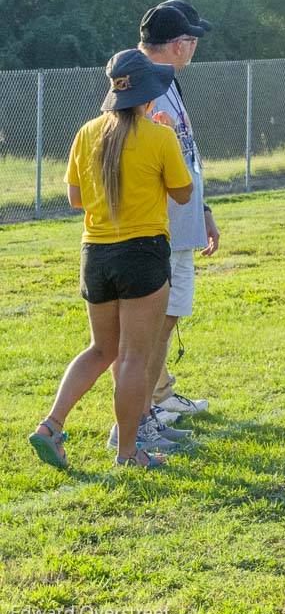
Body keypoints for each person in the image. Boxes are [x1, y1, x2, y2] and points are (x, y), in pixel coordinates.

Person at [28, 50, 193, 470]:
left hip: (95, 254)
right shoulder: (159, 136)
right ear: (147, 93)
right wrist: (168, 134)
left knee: (100, 350)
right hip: (143, 254)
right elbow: (183, 192)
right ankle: (127, 453)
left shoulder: (87, 132)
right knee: (134, 358)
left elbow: (75, 198)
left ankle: (51, 425)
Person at [137, 2, 219, 431]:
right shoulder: (144, 82)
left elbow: (183, 150)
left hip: (182, 221)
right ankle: (141, 415)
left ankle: (160, 397)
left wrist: (203, 209)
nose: (194, 48)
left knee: (164, 324)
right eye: (192, 40)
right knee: (150, 327)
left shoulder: (169, 82)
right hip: (158, 226)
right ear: (176, 44)